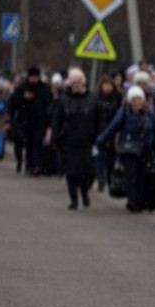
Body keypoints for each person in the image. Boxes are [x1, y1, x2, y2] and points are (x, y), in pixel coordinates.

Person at [96, 86, 155, 213]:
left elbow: (154, 133)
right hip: (129, 149)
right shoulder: (124, 112)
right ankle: (132, 201)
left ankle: (139, 201)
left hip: (145, 149)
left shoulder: (149, 114)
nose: (136, 103)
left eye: (139, 99)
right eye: (134, 100)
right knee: (131, 176)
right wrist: (101, 139)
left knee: (142, 176)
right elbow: (112, 127)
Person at [50, 68, 99, 210]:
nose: (76, 86)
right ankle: (74, 200)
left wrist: (98, 138)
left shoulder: (92, 100)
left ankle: (84, 191)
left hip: (87, 142)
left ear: (83, 83)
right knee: (70, 173)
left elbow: (99, 120)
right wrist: (55, 138)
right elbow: (56, 121)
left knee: (87, 173)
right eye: (73, 83)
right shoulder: (63, 100)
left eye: (79, 83)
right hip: (68, 142)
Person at [9, 66, 53, 175]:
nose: (33, 79)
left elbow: (50, 104)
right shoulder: (22, 88)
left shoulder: (44, 89)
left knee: (37, 143)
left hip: (40, 121)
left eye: (35, 77)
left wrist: (48, 120)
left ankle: (37, 166)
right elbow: (13, 103)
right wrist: (24, 98)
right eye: (32, 77)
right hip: (25, 121)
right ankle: (29, 165)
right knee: (28, 144)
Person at [94, 76, 122, 191]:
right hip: (100, 130)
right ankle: (100, 179)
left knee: (111, 158)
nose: (107, 87)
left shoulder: (118, 98)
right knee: (99, 157)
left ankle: (110, 179)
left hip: (113, 131)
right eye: (104, 85)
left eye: (109, 85)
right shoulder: (96, 98)